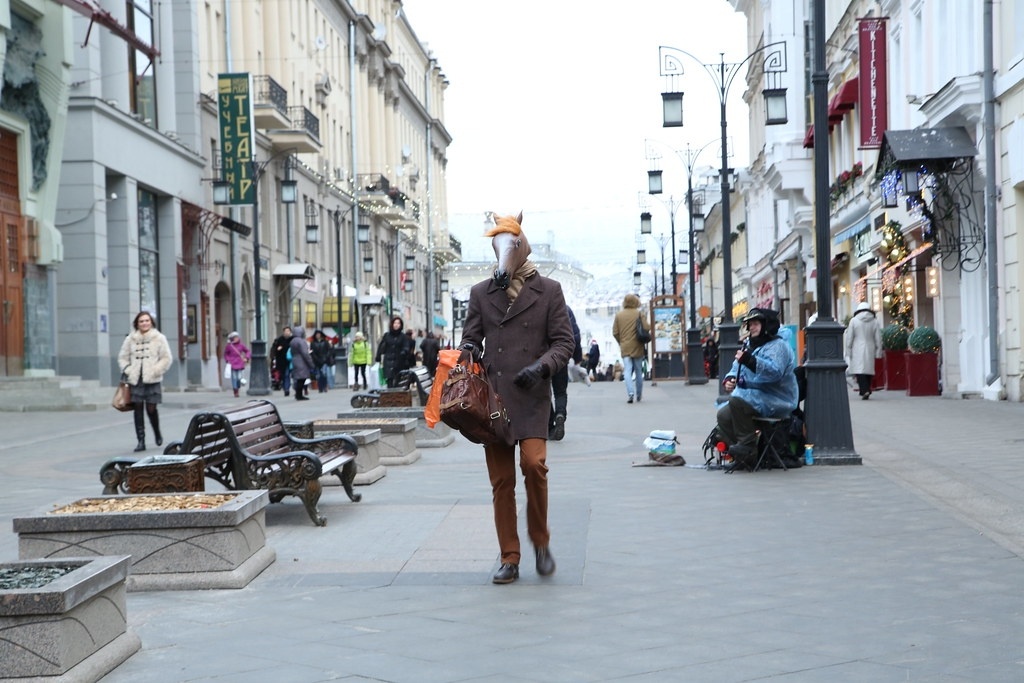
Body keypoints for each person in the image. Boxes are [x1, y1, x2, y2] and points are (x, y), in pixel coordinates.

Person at [459, 212, 575, 585]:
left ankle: (540, 541)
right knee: (501, 482)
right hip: (493, 400)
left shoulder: (550, 290)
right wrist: (465, 353)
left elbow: (564, 343)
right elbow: (470, 338)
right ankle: (510, 556)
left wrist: (542, 367)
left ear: (522, 247)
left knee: (534, 466)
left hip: (532, 395)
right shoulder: (480, 293)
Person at [717, 308, 799, 467]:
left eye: (755, 324)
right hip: (755, 398)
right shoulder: (749, 344)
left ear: (767, 325)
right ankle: (747, 454)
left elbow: (775, 373)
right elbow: (736, 367)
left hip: (776, 399)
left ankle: (747, 449)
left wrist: (750, 361)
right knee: (724, 416)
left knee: (736, 402)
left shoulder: (778, 346)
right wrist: (730, 378)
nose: (751, 328)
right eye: (749, 324)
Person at [117, 311, 172, 452]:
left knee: (151, 409)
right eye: (141, 321)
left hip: (153, 379)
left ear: (151, 322)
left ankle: (157, 431)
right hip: (136, 380)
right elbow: (122, 357)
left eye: (147, 320)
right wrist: (128, 369)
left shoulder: (159, 338)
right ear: (137, 324)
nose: (144, 323)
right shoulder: (130, 339)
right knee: (138, 409)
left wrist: (156, 369)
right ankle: (141, 441)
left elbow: (166, 358)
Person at [548, 305, 582, 441]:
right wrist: (577, 357)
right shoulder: (565, 309)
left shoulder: (539, 307)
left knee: (544, 392)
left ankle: (550, 426)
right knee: (560, 391)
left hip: (543, 356)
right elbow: (576, 335)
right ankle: (560, 414)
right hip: (561, 355)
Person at [612, 293, 650, 404]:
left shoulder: (619, 315)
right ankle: (639, 394)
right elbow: (647, 327)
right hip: (638, 346)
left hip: (625, 346)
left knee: (627, 371)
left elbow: (615, 332)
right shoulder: (639, 313)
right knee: (638, 371)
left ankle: (630, 393)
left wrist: (621, 341)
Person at [845, 300, 883, 400]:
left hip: (857, 346)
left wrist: (848, 349)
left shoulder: (854, 321)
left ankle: (864, 390)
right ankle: (867, 389)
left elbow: (849, 337)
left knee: (859, 370)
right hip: (870, 346)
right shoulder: (874, 321)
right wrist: (878, 350)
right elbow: (878, 338)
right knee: (869, 369)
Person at [376, 316, 414, 388]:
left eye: (398, 323)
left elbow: (406, 346)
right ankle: (390, 396)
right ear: (392, 324)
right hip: (388, 361)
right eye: (395, 323)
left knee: (398, 380)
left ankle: (397, 396)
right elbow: (381, 346)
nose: (396, 325)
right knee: (389, 381)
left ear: (401, 325)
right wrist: (378, 356)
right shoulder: (387, 335)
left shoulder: (403, 336)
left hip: (399, 361)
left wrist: (404, 352)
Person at [288, 326, 315, 401]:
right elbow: (305, 353)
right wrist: (311, 364)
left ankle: (298, 394)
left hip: (295, 360)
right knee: (301, 379)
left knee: (299, 378)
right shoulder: (301, 341)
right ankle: (299, 395)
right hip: (301, 361)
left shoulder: (292, 341)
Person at [223, 331, 251, 397]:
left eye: (237, 337)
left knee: (239, 377)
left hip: (240, 362)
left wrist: (247, 357)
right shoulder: (229, 346)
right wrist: (228, 360)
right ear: (232, 338)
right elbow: (226, 354)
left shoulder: (241, 345)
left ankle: (237, 387)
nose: (236, 338)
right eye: (235, 337)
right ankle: (235, 391)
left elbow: (247, 351)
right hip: (232, 363)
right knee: (234, 377)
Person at [272, 325, 293, 397]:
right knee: (284, 375)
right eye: (285, 331)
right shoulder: (279, 340)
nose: (287, 333)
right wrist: (278, 349)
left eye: (288, 331)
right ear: (283, 332)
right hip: (282, 361)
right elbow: (274, 350)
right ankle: (285, 387)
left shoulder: (292, 339)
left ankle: (287, 388)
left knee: (287, 375)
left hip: (290, 361)